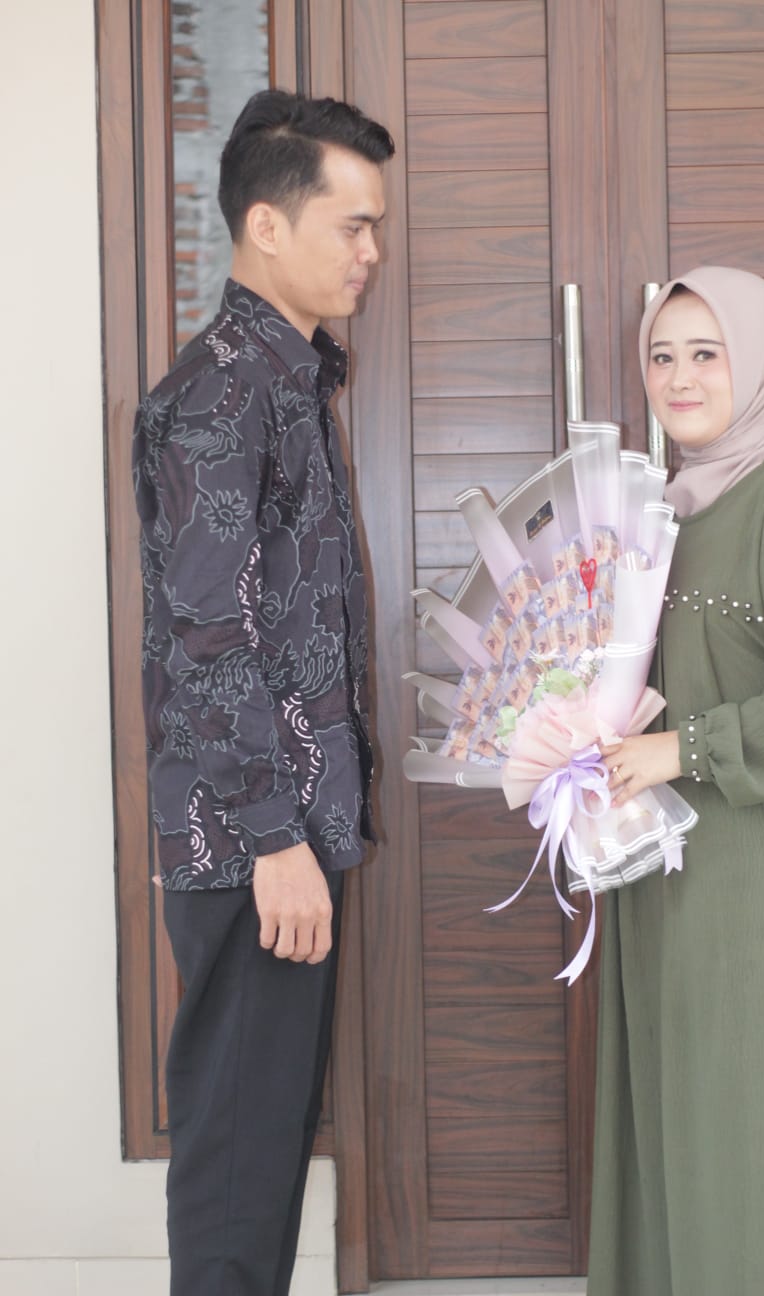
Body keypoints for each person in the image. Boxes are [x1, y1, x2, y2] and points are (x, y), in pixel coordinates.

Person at [132, 89, 394, 1295]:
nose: (372, 249)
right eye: (353, 224)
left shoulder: (289, 378)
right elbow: (211, 637)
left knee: (266, 1143)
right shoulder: (223, 393)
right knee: (239, 1160)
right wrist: (278, 840)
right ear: (267, 226)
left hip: (284, 835)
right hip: (253, 843)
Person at [589, 266, 764, 1295]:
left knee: (755, 1119)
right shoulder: (665, 510)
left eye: (708, 354)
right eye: (662, 356)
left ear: (762, 362)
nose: (680, 378)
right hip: (674, 867)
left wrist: (683, 750)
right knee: (688, 1106)